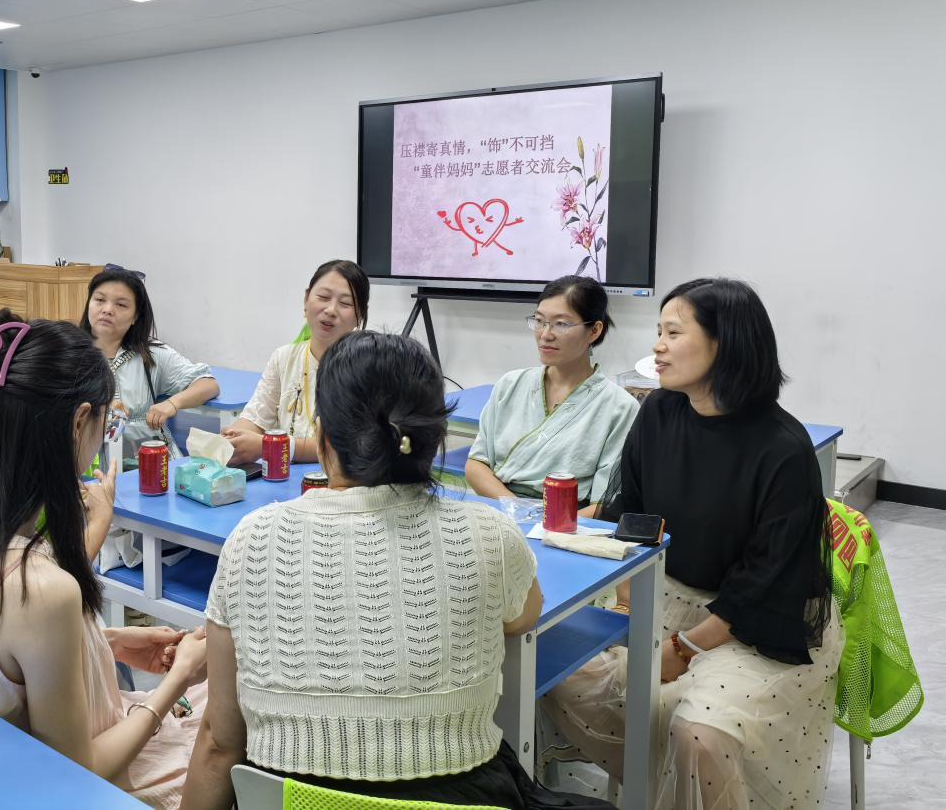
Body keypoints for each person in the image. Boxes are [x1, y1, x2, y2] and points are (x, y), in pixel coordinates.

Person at [185, 331, 549, 809]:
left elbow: (219, 741)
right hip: (464, 794)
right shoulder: (490, 534)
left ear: (322, 438)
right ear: (435, 437)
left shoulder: (252, 540)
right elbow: (524, 616)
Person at [0, 311, 207, 807]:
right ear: (80, 421)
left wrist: (106, 643)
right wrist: (176, 681)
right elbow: (81, 774)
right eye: (104, 421)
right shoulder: (40, 589)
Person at [542, 278, 838, 810]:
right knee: (556, 673)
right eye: (658, 331)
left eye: (673, 333)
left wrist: (684, 648)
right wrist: (628, 601)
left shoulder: (783, 450)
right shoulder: (659, 412)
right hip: (665, 595)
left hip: (754, 626)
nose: (657, 346)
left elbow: (763, 584)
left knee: (699, 732)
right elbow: (633, 516)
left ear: (725, 344)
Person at [466, 276, 638, 513]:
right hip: (502, 511)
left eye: (561, 324)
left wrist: (548, 525)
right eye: (539, 321)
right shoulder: (510, 384)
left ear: (594, 331)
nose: (545, 334)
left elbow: (603, 504)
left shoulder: (620, 407)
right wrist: (517, 510)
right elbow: (476, 464)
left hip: (571, 524)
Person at [223, 259, 369, 467]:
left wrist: (272, 446)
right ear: (306, 299)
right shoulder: (284, 358)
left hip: (340, 480)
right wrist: (234, 437)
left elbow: (349, 445)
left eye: (345, 304)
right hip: (285, 478)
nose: (330, 310)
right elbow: (256, 418)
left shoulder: (367, 367)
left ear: (360, 314)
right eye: (323, 297)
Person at [79, 264, 219, 464]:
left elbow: (208, 384)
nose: (107, 310)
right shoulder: (69, 353)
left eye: (121, 305)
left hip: (150, 464)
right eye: (100, 300)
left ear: (136, 316)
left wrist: (172, 404)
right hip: (88, 466)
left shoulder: (151, 354)